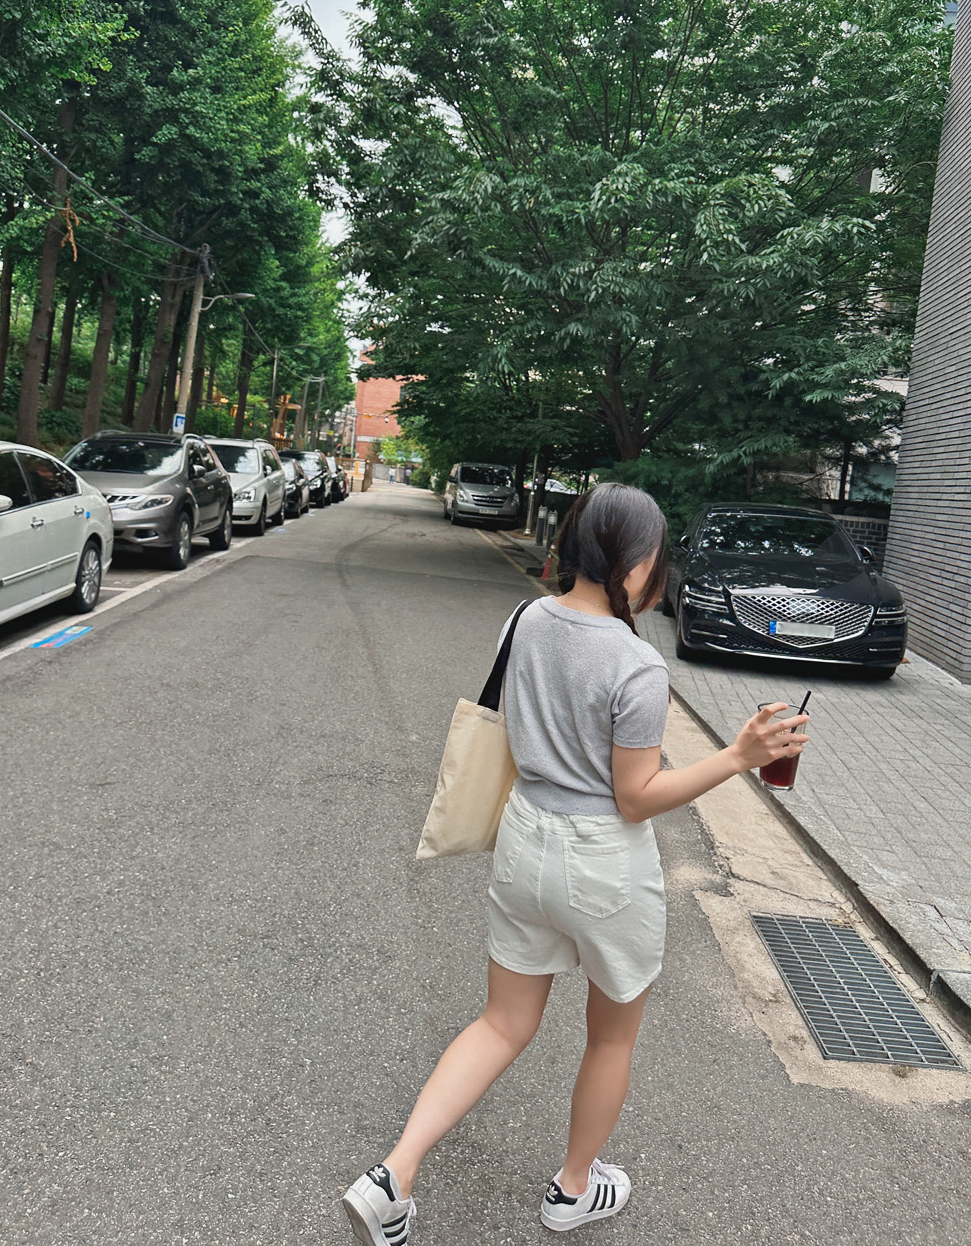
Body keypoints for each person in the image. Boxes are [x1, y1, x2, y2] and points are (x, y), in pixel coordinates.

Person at [342, 483, 809, 1245]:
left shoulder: (524, 620)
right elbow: (635, 796)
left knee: (501, 1022)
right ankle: (573, 1187)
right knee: (610, 1037)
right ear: (638, 561)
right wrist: (737, 755)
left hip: (524, 838)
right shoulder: (638, 666)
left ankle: (393, 1174)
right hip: (603, 865)